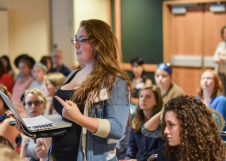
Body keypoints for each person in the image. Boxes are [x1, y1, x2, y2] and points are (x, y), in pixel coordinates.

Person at [46, 19, 131, 161]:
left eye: (82, 40)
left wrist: (79, 118)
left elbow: (117, 128)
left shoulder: (115, 80)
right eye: (75, 40)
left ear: (99, 43)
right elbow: (65, 118)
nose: (76, 45)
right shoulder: (74, 74)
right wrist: (35, 128)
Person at [157, 95, 226, 161]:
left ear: (188, 126)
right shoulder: (165, 153)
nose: (165, 131)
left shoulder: (212, 154)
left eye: (171, 125)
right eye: (165, 124)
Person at [124, 86, 164, 161]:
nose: (143, 99)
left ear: (156, 101)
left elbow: (160, 151)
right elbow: (131, 146)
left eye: (148, 97)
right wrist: (128, 159)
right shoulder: (134, 118)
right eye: (141, 96)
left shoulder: (161, 121)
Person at [19, 89, 51, 161]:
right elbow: (21, 158)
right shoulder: (26, 127)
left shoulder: (48, 129)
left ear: (44, 106)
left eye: (37, 103)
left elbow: (45, 158)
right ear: (24, 107)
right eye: (29, 103)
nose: (33, 106)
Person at [197, 69, 226, 139]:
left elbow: (217, 124)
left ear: (216, 82)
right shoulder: (197, 99)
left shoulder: (221, 100)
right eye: (203, 78)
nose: (205, 81)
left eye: (209, 78)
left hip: (217, 139)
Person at [213, 26, 226, 95]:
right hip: (220, 72)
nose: (225, 34)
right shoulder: (220, 45)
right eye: (224, 33)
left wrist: (222, 59)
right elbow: (214, 57)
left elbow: (222, 58)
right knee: (222, 91)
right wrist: (218, 59)